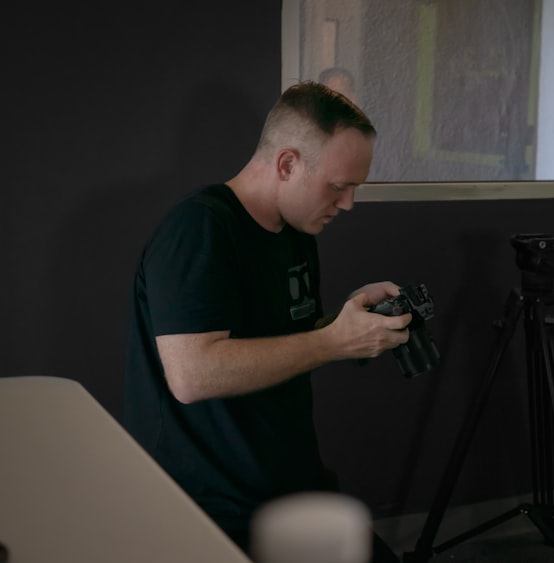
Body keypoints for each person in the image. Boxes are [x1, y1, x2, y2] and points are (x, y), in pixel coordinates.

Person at [123, 81, 409, 562]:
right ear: (288, 164)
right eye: (339, 187)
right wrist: (335, 343)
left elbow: (278, 341)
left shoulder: (295, 233)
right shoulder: (199, 230)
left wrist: (347, 323)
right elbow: (193, 374)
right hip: (210, 506)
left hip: (292, 484)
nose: (348, 205)